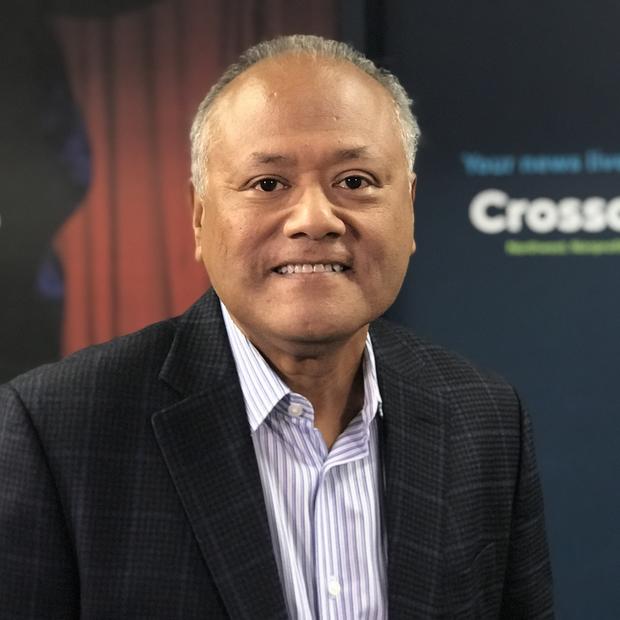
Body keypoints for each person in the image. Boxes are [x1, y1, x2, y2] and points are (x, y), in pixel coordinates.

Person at [0, 35, 553, 618]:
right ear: (199, 215)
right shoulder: (58, 431)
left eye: (356, 181)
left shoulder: (487, 420)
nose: (315, 218)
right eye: (269, 184)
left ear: (410, 209)